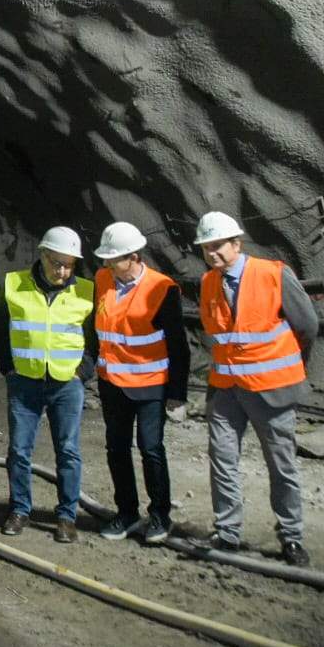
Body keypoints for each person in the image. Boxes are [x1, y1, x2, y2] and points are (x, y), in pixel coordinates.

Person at [194, 211, 319, 566]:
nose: (212, 253)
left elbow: (307, 326)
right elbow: (216, 335)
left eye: (218, 245)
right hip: (225, 389)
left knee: (281, 465)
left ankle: (291, 538)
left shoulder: (273, 274)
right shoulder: (208, 282)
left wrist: (289, 367)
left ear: (237, 243)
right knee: (223, 461)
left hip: (271, 389)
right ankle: (228, 533)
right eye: (206, 248)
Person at [0, 227, 97, 543]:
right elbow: (0, 329)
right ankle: (20, 509)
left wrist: (82, 372)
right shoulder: (14, 284)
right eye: (57, 263)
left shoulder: (86, 291)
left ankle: (66, 516)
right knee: (19, 450)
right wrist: (9, 368)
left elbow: (93, 339)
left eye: (69, 265)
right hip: (25, 382)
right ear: (43, 255)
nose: (62, 271)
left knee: (68, 451)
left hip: (67, 384)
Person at [91, 222, 189, 545]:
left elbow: (178, 345)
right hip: (112, 384)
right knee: (117, 448)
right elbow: (97, 330)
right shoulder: (102, 279)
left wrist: (176, 394)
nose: (107, 263)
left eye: (113, 258)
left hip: (150, 385)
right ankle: (127, 512)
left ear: (134, 256)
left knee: (150, 448)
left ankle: (160, 514)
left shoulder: (162, 288)